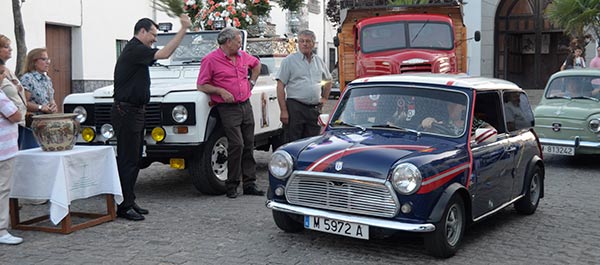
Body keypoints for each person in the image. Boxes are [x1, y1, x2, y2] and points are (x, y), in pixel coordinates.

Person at [111, 14, 191, 221]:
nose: (155, 39)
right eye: (153, 35)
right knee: (128, 160)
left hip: (134, 111)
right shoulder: (135, 49)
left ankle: (129, 199)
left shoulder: (137, 50)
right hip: (127, 112)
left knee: (135, 158)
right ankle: (122, 205)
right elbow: (164, 54)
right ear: (142, 31)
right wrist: (183, 29)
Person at [196, 27, 264, 199]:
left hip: (245, 104)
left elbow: (257, 65)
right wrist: (220, 91)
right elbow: (202, 85)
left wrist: (252, 82)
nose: (240, 44)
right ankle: (232, 184)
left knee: (249, 143)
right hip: (228, 108)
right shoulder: (210, 60)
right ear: (228, 42)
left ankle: (249, 183)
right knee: (237, 144)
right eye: (238, 41)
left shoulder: (242, 56)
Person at [276, 30, 332, 143]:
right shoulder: (289, 61)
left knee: (312, 143)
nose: (304, 44)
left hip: (313, 110)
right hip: (295, 108)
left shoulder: (319, 61)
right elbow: (280, 86)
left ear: (313, 43)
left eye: (308, 41)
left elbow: (328, 80)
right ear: (298, 43)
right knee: (293, 142)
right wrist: (283, 110)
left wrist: (324, 98)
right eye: (301, 41)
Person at [0, 58, 24, 245]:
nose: (3, 77)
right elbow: (16, 115)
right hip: (4, 150)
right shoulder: (1, 95)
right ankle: (1, 230)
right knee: (3, 189)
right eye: (1, 73)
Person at [19, 48, 57, 149]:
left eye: (48, 59)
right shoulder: (27, 78)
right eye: (44, 59)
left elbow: (51, 101)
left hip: (47, 125)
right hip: (33, 127)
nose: (47, 62)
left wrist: (53, 106)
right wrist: (41, 107)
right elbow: (24, 103)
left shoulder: (47, 79)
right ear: (34, 62)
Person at [0, 35, 26, 146]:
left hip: (19, 124)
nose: (10, 49)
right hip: (7, 126)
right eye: (6, 47)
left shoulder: (8, 70)